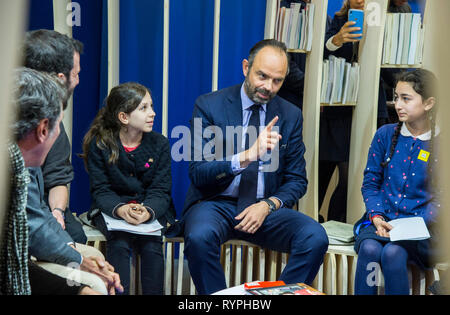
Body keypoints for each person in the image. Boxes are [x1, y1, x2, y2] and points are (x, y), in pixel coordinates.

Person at [181, 39, 329, 295]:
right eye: (262, 76)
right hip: (216, 203)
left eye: (277, 80)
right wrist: (247, 156)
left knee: (315, 237)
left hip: (265, 208)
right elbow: (198, 171)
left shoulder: (290, 114)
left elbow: (297, 180)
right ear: (245, 67)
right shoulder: (209, 106)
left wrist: (267, 205)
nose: (268, 87)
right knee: (198, 238)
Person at [0, 67, 100, 295]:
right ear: (44, 129)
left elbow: (16, 268)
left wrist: (78, 291)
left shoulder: (20, 164)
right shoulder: (16, 173)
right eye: (58, 125)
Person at [82, 83, 176, 295]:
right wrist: (121, 209)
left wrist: (148, 211)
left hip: (148, 212)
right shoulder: (101, 144)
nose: (152, 113)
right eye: (143, 108)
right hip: (113, 213)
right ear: (124, 117)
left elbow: (161, 190)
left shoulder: (159, 144)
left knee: (152, 246)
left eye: (151, 106)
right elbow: (101, 190)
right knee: (119, 243)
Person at [353, 69, 441, 295]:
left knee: (393, 253)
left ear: (429, 103)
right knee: (370, 248)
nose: (397, 104)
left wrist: (411, 226)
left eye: (406, 98)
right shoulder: (384, 135)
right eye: (395, 97)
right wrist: (377, 216)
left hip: (423, 230)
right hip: (381, 223)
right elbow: (370, 183)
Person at [319, 0, 389, 223]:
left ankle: (341, 224)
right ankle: (325, 227)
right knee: (330, 172)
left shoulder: (385, 22)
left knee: (356, 174)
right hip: (340, 105)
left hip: (369, 104)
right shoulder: (338, 21)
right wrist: (336, 40)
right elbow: (321, 52)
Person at [23, 29, 87, 244]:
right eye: (76, 73)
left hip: (42, 208)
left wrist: (57, 212)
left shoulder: (54, 124)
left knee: (74, 235)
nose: (78, 81)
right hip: (27, 213)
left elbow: (57, 177)